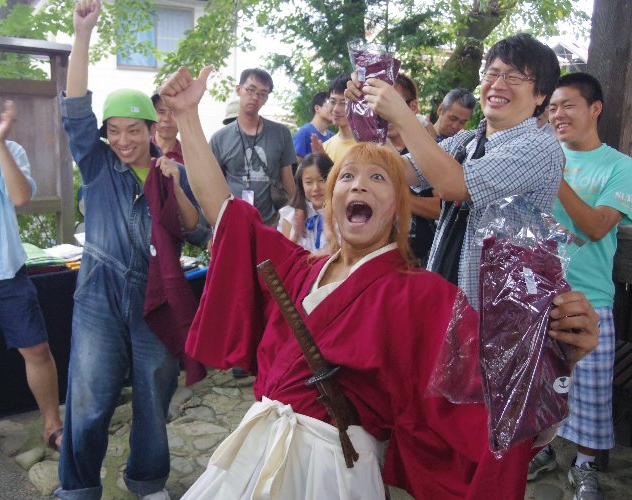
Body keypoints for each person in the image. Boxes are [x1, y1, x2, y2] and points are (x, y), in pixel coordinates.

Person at [158, 64, 600, 500]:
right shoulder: (296, 268)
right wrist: (187, 117)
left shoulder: (422, 296)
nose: (359, 186)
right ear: (331, 200)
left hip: (335, 471)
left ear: (398, 207)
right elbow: (225, 213)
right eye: (346, 177)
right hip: (254, 453)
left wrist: (560, 355)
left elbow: (492, 395)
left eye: (377, 178)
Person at [55, 2, 208, 499]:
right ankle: (78, 488)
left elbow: (197, 233)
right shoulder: (98, 165)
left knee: (153, 399)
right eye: (114, 130)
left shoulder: (171, 170)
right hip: (98, 296)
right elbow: (75, 108)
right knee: (89, 401)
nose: (123, 140)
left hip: (155, 296)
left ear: (150, 128)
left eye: (133, 129)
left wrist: (176, 187)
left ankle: (147, 480)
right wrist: (83, 35)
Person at [348, 33, 564, 307]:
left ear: (541, 94)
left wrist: (401, 115)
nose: (498, 85)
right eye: (492, 74)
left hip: (497, 314)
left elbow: (455, 185)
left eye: (514, 77)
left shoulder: (541, 146)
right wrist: (367, 115)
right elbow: (398, 170)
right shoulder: (466, 141)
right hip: (446, 300)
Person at [528, 73, 632, 500]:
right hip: (536, 294)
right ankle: (544, 449)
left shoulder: (620, 166)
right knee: (538, 384)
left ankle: (586, 464)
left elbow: (595, 226)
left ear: (595, 108)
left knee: (589, 388)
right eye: (552, 107)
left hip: (591, 297)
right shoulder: (539, 154)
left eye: (568, 105)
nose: (558, 114)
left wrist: (554, 176)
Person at [0, 100, 63, 462]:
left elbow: (20, 196)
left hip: (4, 266)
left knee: (36, 347)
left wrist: (0, 142)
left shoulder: (7, 147)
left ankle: (52, 425)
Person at [209, 67, 295, 226]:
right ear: (238, 90)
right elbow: (213, 186)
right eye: (251, 90)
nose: (255, 97)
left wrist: (295, 214)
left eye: (262, 94)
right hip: (232, 222)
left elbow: (288, 180)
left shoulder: (281, 133)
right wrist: (214, 226)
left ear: (266, 99)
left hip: (270, 222)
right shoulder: (219, 139)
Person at [388, 73, 440, 264]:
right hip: (383, 259)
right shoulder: (371, 150)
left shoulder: (430, 150)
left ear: (413, 106)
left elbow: (444, 207)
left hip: (421, 261)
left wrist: (402, 200)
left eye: (392, 104)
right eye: (379, 106)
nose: (385, 113)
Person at [278, 153, 333, 252]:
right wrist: (295, 236)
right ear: (301, 184)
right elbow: (282, 255)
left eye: (321, 180)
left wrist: (331, 238)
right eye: (308, 182)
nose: (316, 188)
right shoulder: (290, 215)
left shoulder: (343, 215)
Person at [321, 75, 357, 165]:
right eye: (332, 102)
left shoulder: (368, 145)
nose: (336, 109)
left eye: (344, 103)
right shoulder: (324, 148)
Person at [293, 91, 334, 164]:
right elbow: (295, 166)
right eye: (330, 105)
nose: (334, 109)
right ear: (317, 108)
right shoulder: (304, 133)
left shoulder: (332, 137)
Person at [151, 92, 183, 163]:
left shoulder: (190, 157)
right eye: (161, 112)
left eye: (174, 113)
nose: (167, 119)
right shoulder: (139, 149)